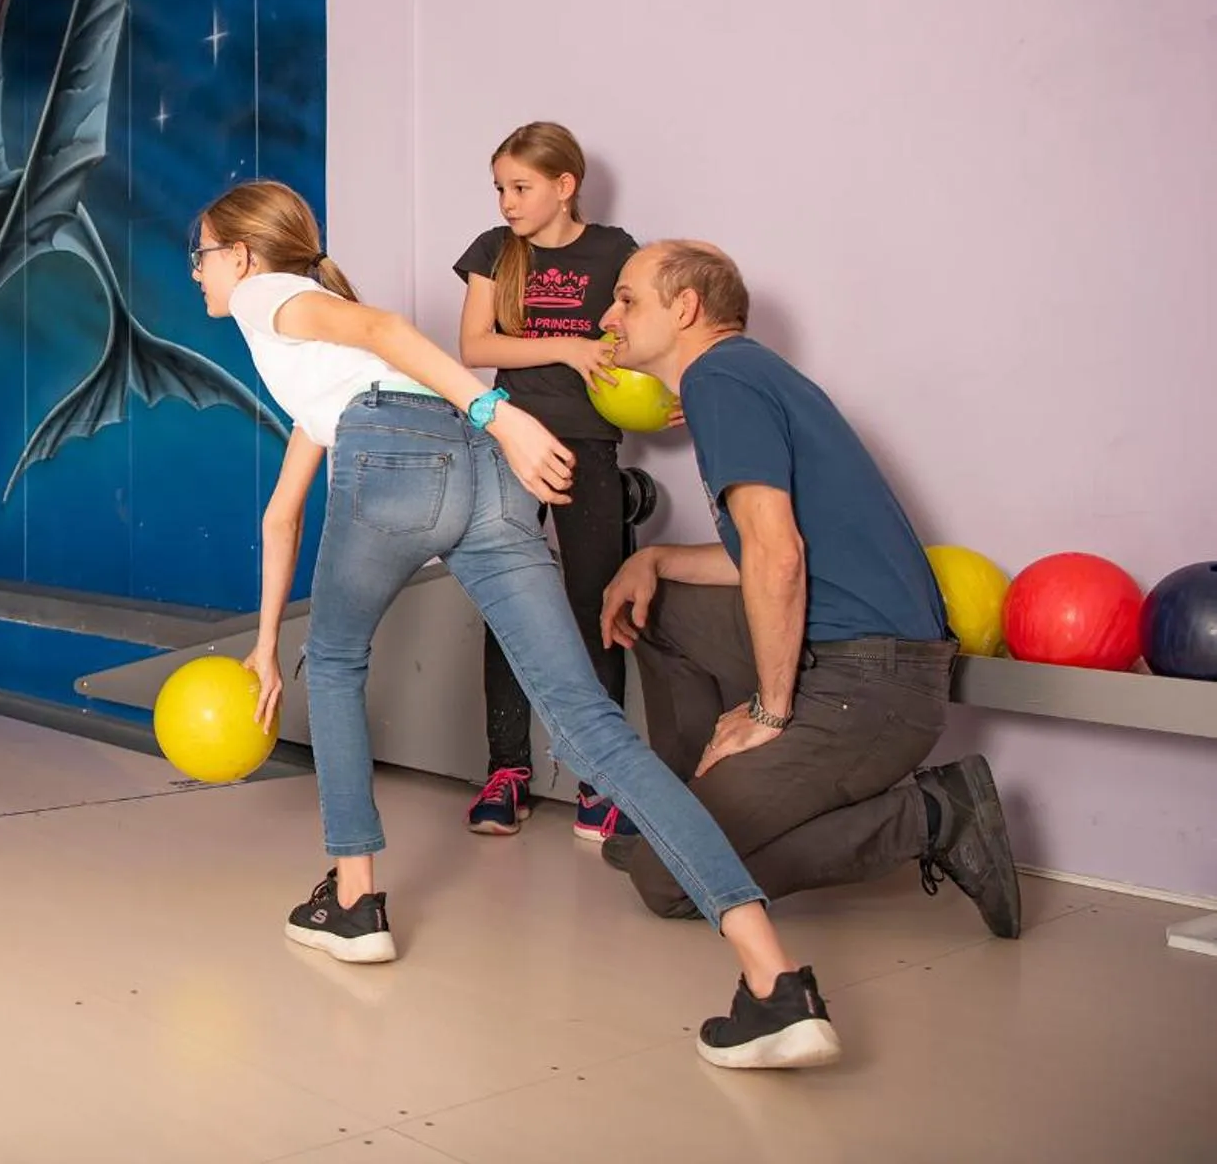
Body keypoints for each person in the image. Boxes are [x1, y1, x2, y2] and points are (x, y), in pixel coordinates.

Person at [196, 181, 841, 1069]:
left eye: (201, 255)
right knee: (592, 726)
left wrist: (496, 412)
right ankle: (776, 981)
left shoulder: (271, 297)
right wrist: (265, 644)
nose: (197, 275)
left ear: (242, 253)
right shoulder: (313, 356)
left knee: (339, 664)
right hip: (478, 471)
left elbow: (388, 332)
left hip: (430, 442)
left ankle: (355, 903)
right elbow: (282, 513)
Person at [596, 241, 1020, 938]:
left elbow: (779, 555)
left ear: (686, 307)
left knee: (669, 881)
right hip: (845, 651)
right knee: (656, 603)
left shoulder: (719, 378)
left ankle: (935, 814)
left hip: (872, 685)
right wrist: (659, 557)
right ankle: (677, 812)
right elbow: (764, 552)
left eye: (627, 298)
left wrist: (769, 708)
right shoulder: (744, 374)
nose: (610, 316)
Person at [453, 123, 641, 840]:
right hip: (508, 442)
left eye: (520, 187)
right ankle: (507, 771)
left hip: (589, 445)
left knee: (598, 606)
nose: (506, 201)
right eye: (500, 187)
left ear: (565, 186)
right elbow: (475, 345)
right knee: (511, 603)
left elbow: (635, 342)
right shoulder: (495, 252)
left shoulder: (618, 251)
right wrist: (567, 343)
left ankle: (604, 779)